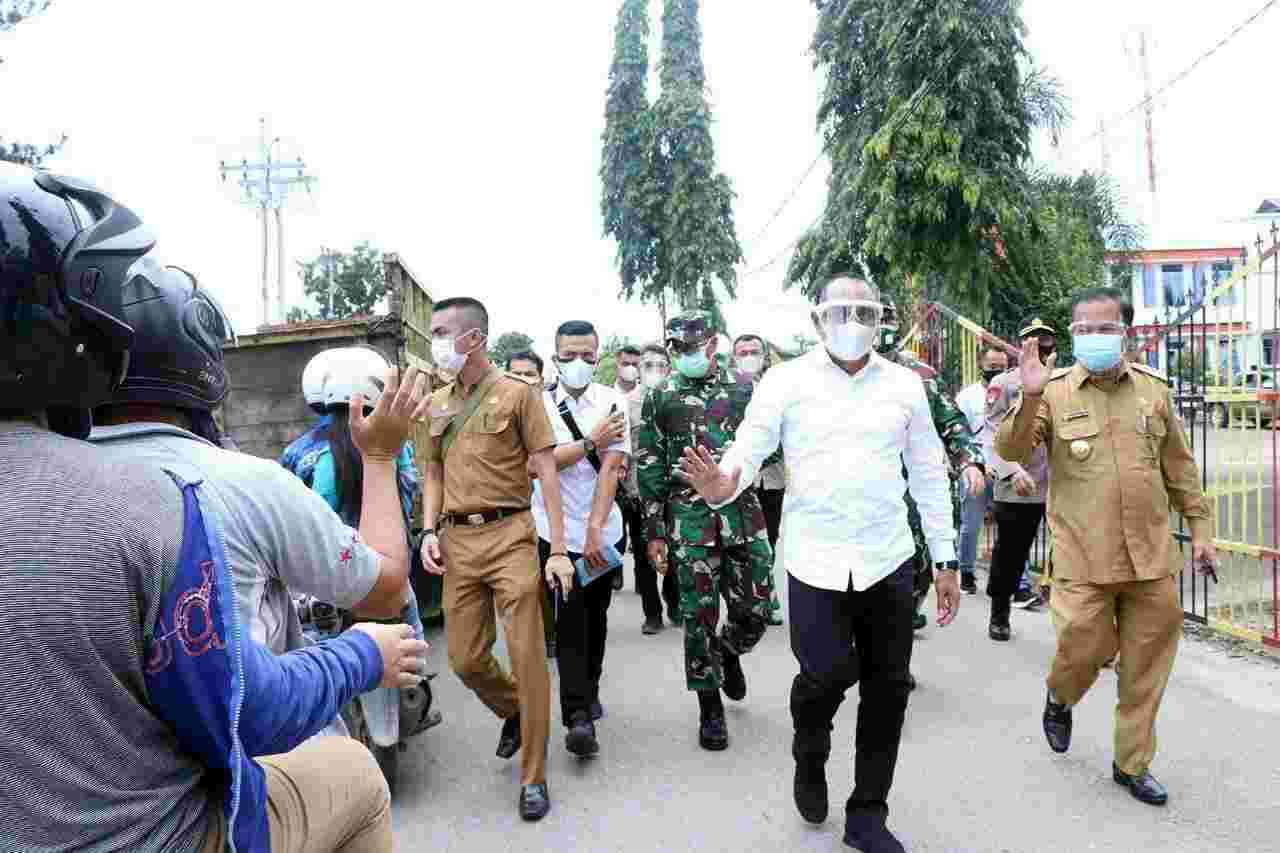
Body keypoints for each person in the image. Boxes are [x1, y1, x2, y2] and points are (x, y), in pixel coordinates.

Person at [0, 163, 428, 852]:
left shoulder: (286, 458)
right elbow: (250, 705)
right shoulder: (169, 501)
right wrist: (361, 650)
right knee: (354, 772)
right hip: (162, 830)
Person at [680, 275, 959, 853]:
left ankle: (867, 814)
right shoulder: (786, 382)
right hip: (816, 561)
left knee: (889, 690)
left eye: (864, 311)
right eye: (839, 311)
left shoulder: (906, 387)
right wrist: (719, 485)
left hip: (889, 559)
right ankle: (810, 752)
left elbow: (929, 472)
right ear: (816, 321)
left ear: (880, 318)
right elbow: (748, 448)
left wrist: (948, 556)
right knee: (826, 674)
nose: (852, 322)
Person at [92, 272, 432, 739]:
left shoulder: (298, 452)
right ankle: (419, 674)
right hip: (338, 584)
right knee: (360, 769)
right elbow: (387, 582)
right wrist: (379, 456)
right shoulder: (251, 480)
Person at [996, 286, 1216, 807]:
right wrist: (1028, 396)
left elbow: (1180, 469)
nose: (1094, 337)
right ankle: (1060, 695)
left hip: (1151, 558)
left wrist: (1202, 531)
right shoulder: (1050, 390)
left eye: (1105, 327)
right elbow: (1011, 449)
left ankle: (1131, 764)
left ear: (1126, 332)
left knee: (1146, 667)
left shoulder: (1153, 392)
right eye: (1083, 329)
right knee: (1084, 647)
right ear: (1072, 335)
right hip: (1083, 559)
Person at [418, 296, 572, 821]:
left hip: (510, 534)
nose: (435, 341)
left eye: (442, 332)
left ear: (475, 338)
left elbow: (547, 471)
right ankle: (516, 712)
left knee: (526, 652)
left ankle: (533, 774)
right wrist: (426, 530)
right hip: (457, 540)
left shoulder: (519, 394)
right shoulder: (436, 403)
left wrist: (560, 551)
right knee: (463, 658)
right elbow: (432, 473)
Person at [637, 311, 774, 752]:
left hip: (742, 514)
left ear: (712, 344)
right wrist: (654, 532)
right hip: (689, 520)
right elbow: (651, 464)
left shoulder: (746, 390)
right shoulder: (660, 397)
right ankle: (709, 708)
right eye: (676, 348)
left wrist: (737, 469)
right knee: (698, 616)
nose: (683, 355)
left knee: (756, 608)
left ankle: (729, 651)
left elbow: (771, 448)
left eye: (691, 347)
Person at [276, 346, 428, 643]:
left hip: (326, 589)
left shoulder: (300, 452)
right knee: (412, 659)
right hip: (387, 579)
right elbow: (408, 502)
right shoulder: (397, 448)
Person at [874, 297, 984, 689]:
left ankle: (895, 652)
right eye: (874, 317)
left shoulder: (918, 376)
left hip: (917, 500)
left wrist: (970, 460)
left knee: (915, 581)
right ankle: (876, 650)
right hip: (867, 504)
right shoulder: (833, 374)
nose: (880, 325)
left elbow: (952, 422)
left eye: (887, 317)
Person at [531, 320, 629, 756]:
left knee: (596, 614)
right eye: (569, 355)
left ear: (598, 355)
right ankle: (577, 716)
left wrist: (594, 529)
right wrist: (590, 440)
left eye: (587, 355)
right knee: (569, 619)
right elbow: (541, 464)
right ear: (555, 356)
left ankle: (590, 689)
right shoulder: (537, 404)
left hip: (603, 533)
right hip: (554, 534)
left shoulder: (613, 399)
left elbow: (613, 466)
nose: (578, 363)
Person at [982, 319, 1058, 642]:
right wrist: (1012, 469)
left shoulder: (1064, 382)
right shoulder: (1004, 383)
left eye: (1047, 340)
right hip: (1017, 487)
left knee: (1072, 553)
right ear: (1022, 343)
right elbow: (991, 434)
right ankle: (1000, 612)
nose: (1040, 346)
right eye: (1033, 340)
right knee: (1011, 553)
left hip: (1058, 485)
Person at [626, 343, 682, 628]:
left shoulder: (677, 400)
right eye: (647, 364)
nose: (654, 370)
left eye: (660, 364)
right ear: (638, 369)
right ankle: (652, 614)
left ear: (669, 369)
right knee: (644, 552)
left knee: (675, 549)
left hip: (674, 490)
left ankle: (674, 601)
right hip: (638, 491)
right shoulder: (626, 404)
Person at [733, 333, 786, 626]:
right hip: (740, 481)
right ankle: (749, 599)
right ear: (734, 357)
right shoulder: (727, 392)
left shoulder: (778, 388)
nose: (749, 356)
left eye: (754, 351)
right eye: (743, 352)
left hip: (772, 480)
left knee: (769, 541)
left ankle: (768, 597)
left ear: (765, 356)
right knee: (743, 544)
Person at [954, 344, 1009, 593]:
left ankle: (1016, 580)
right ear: (981, 366)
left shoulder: (1014, 394)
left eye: (1002, 367)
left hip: (1006, 470)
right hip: (976, 470)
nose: (997, 371)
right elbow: (957, 434)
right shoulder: (966, 397)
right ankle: (966, 572)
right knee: (971, 525)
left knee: (1011, 527)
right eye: (992, 367)